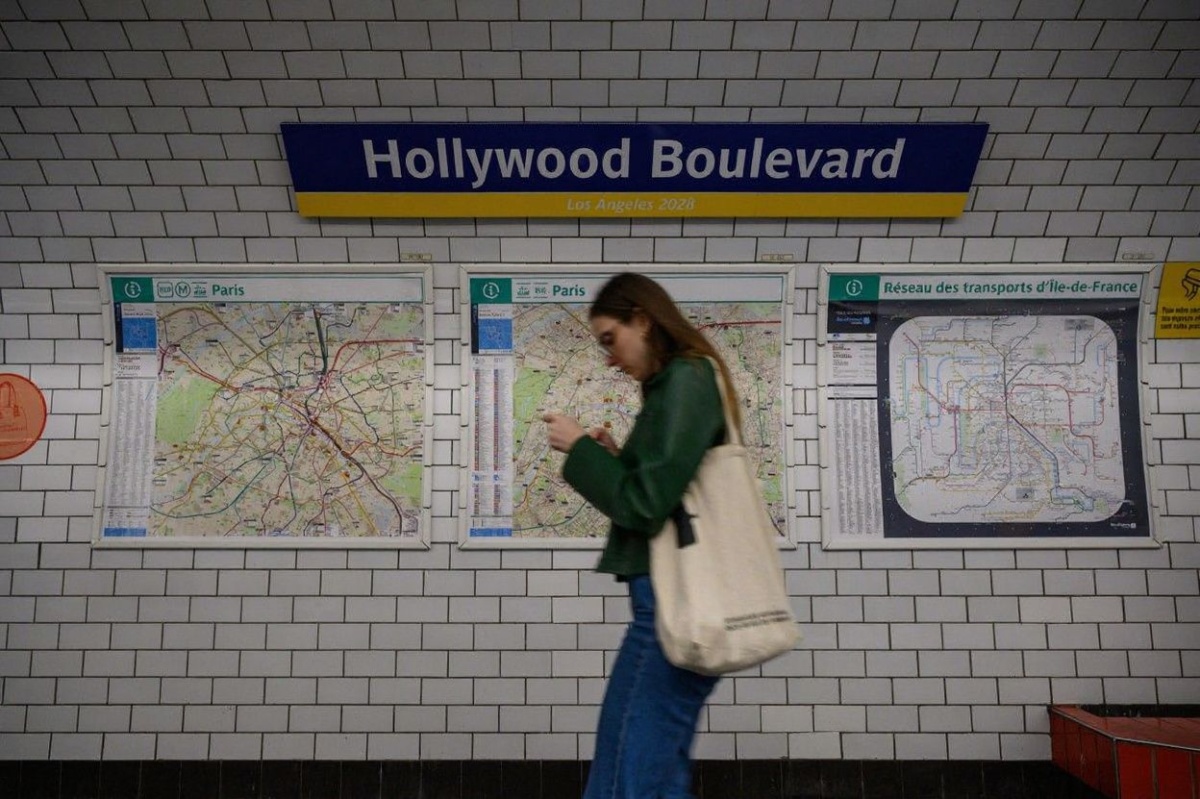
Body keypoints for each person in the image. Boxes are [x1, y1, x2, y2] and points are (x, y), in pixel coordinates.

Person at [542, 272, 743, 799]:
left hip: (673, 607)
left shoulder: (687, 378)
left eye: (611, 339)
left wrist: (579, 450)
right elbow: (662, 486)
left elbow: (645, 505)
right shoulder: (678, 382)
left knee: (627, 781)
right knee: (640, 775)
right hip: (667, 604)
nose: (610, 358)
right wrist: (615, 457)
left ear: (644, 320)